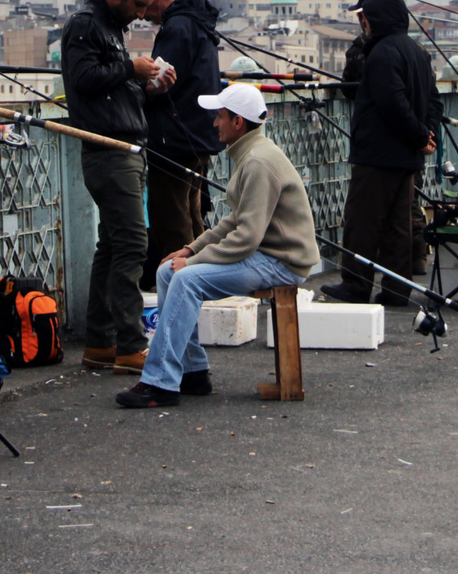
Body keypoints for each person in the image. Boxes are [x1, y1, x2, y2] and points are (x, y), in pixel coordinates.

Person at [116, 83, 320, 409]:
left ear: (238, 122)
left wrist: (194, 263)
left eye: (220, 116)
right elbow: (234, 221)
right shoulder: (253, 154)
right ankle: (192, 372)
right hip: (267, 254)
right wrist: (189, 250)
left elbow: (246, 236)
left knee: (184, 278)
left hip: (281, 263)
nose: (215, 123)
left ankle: (159, 383)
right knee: (169, 272)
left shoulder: (257, 163)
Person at [62, 0, 170, 374]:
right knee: (131, 247)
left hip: (124, 148)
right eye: (139, 5)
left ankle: (100, 345)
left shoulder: (107, 27)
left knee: (111, 248)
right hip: (108, 151)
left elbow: (110, 90)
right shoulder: (87, 24)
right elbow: (85, 78)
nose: (142, 14)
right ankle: (129, 346)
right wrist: (131, 67)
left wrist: (149, 87)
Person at [322, 0, 440, 306]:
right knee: (397, 225)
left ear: (376, 18)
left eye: (366, 17)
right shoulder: (417, 51)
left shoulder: (383, 52)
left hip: (378, 153)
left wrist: (419, 136)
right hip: (406, 156)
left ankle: (356, 285)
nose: (364, 23)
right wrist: (428, 136)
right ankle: (396, 289)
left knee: (363, 221)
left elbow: (391, 102)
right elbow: (433, 100)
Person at [140, 0, 225, 291]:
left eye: (146, 5)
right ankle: (201, 287)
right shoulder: (197, 22)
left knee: (171, 219)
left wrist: (137, 86)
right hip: (199, 133)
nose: (144, 15)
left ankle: (182, 291)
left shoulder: (176, 27)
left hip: (174, 137)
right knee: (191, 216)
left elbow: (162, 83)